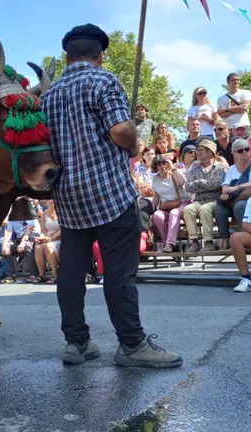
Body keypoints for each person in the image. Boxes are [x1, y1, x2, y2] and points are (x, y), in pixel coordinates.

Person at [42, 23, 182, 368]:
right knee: (119, 272)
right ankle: (132, 344)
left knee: (71, 272)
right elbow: (120, 130)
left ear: (67, 57)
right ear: (101, 56)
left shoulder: (49, 95)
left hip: (69, 197)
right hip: (110, 195)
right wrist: (134, 144)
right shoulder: (103, 81)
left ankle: (76, 343)